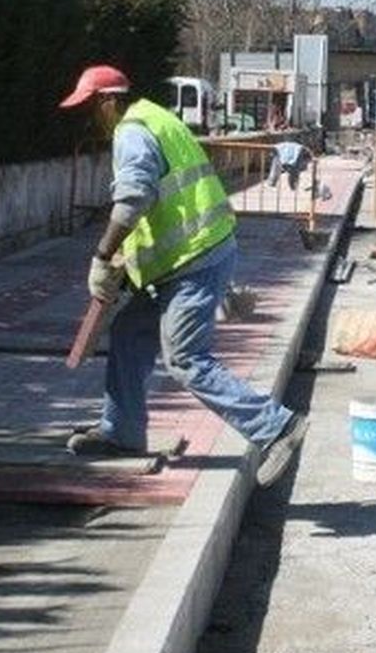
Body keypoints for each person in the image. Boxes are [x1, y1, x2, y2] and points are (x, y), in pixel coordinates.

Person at [58, 64, 308, 486]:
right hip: (183, 259)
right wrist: (130, 268)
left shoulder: (132, 130)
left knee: (186, 358)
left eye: (88, 107)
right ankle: (122, 432)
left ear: (107, 101)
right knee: (129, 335)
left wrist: (103, 255)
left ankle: (277, 426)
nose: (86, 118)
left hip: (194, 258)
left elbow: (134, 197)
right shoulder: (156, 117)